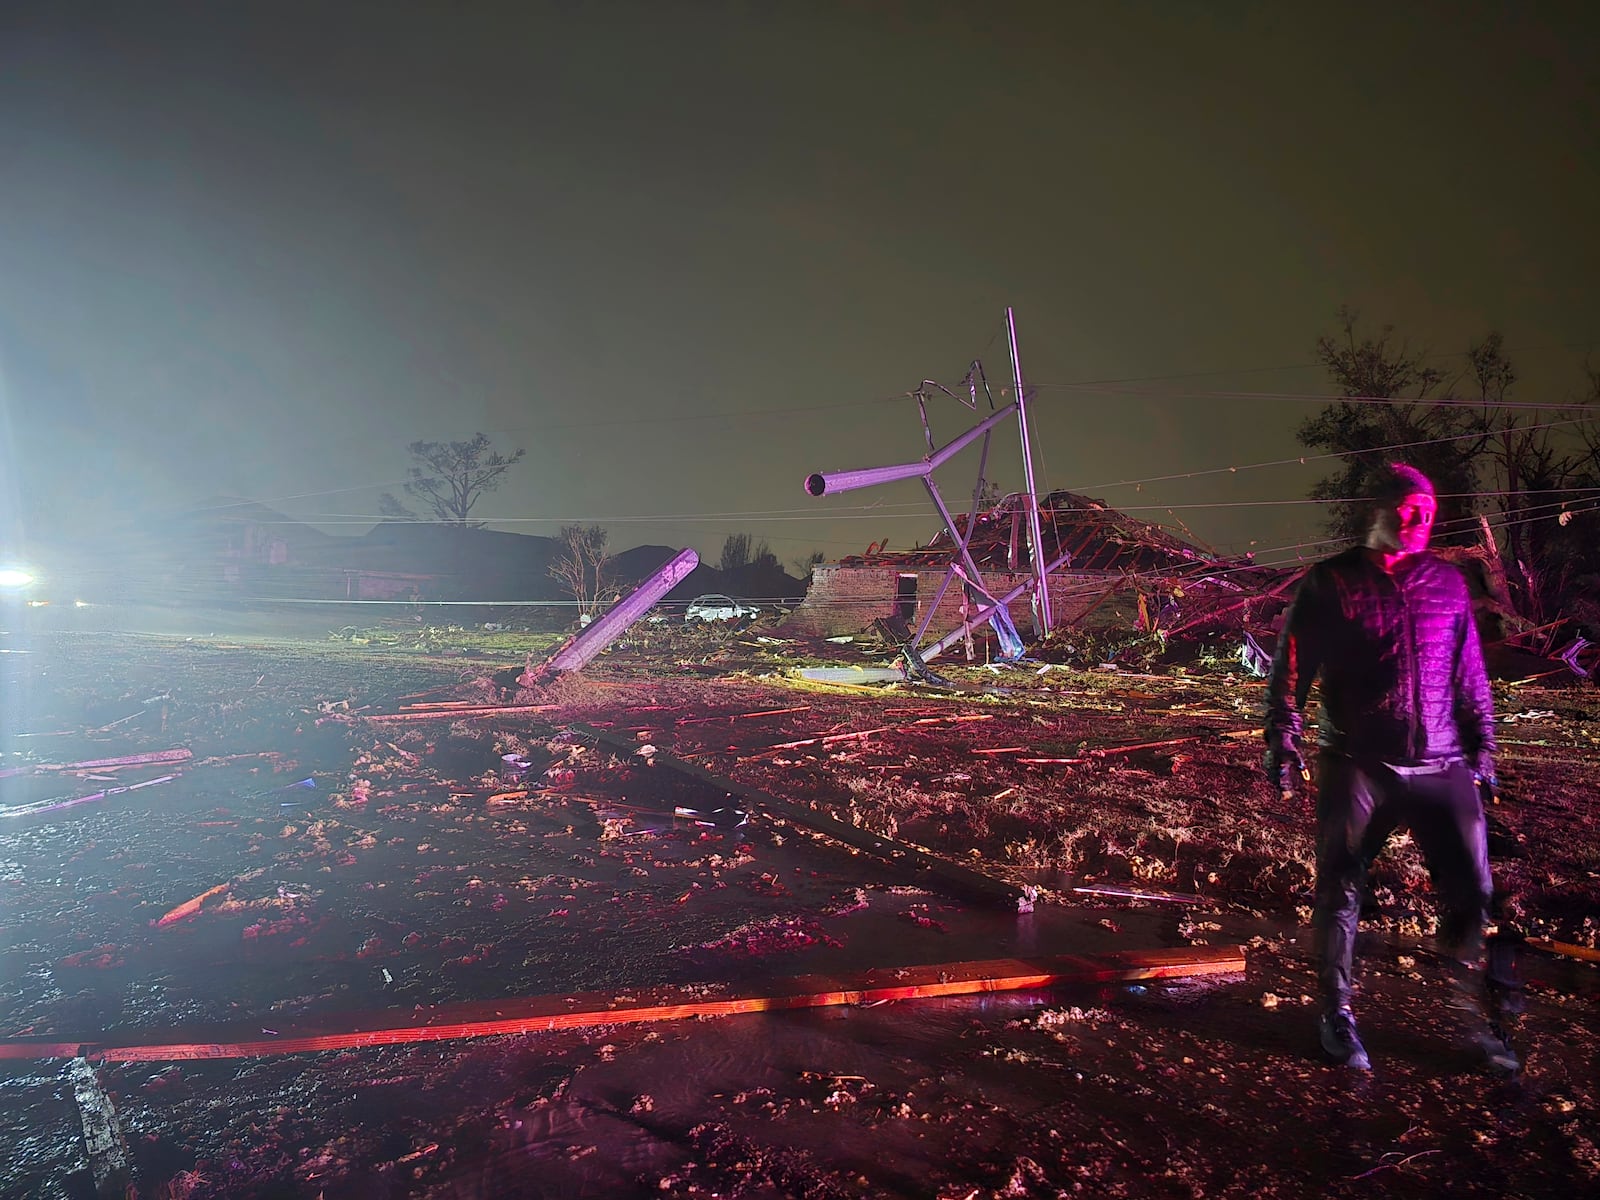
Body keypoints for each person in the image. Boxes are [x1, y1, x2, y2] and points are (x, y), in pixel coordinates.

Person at [1264, 463, 1521, 1073]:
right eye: (1407, 510)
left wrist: (1483, 749)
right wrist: (1284, 741)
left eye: (1428, 514)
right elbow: (1290, 669)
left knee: (1473, 893)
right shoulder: (1330, 583)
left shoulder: (1449, 584)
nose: (1418, 523)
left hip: (1441, 762)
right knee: (1341, 885)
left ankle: (1479, 1024)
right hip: (1359, 760)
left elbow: (1469, 674)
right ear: (1376, 511)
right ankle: (1337, 1015)